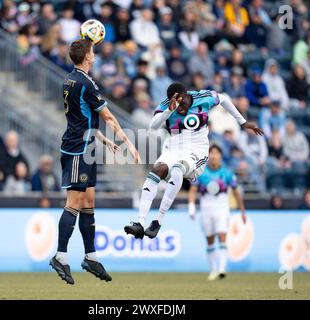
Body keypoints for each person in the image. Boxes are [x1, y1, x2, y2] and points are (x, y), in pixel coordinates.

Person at [50, 39, 140, 285]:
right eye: (92, 51)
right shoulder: (87, 83)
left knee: (88, 201)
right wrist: (128, 142)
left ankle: (91, 257)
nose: (95, 54)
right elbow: (108, 116)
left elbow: (81, 116)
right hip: (78, 149)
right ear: (86, 57)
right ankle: (60, 256)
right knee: (75, 202)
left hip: (86, 145)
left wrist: (101, 139)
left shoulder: (70, 79)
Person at [124, 82, 262, 240]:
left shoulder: (203, 98)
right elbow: (152, 126)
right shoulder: (167, 105)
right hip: (174, 145)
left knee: (177, 169)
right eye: (174, 104)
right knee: (156, 170)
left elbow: (223, 99)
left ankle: (157, 221)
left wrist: (242, 122)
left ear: (187, 97)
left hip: (197, 148)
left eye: (181, 103)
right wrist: (168, 111)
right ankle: (140, 223)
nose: (178, 107)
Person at [188, 144, 246, 280]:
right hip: (206, 207)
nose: (214, 156)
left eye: (216, 153)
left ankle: (222, 269)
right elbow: (193, 190)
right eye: (211, 153)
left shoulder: (227, 173)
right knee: (209, 239)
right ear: (208, 156)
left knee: (222, 236)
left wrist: (242, 210)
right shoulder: (200, 172)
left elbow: (236, 192)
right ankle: (213, 269)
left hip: (221, 207)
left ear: (220, 156)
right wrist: (191, 206)